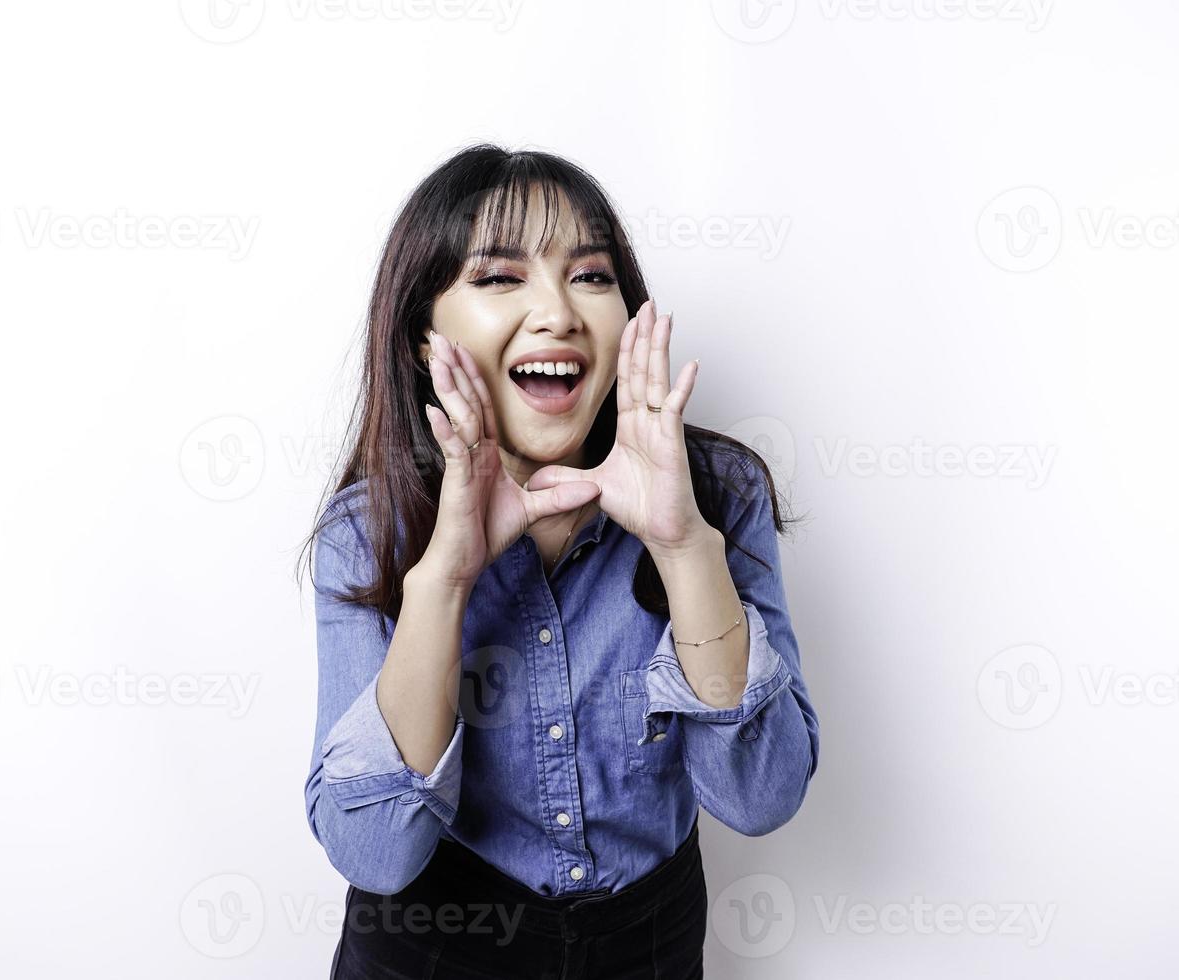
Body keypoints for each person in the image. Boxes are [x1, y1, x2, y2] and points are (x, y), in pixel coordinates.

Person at [300, 143, 820, 979]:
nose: (558, 313)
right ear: (419, 340)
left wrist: (684, 549)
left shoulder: (719, 493)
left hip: (648, 947)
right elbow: (373, 852)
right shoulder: (370, 533)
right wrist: (447, 577)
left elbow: (761, 797)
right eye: (500, 278)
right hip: (431, 953)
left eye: (590, 275)